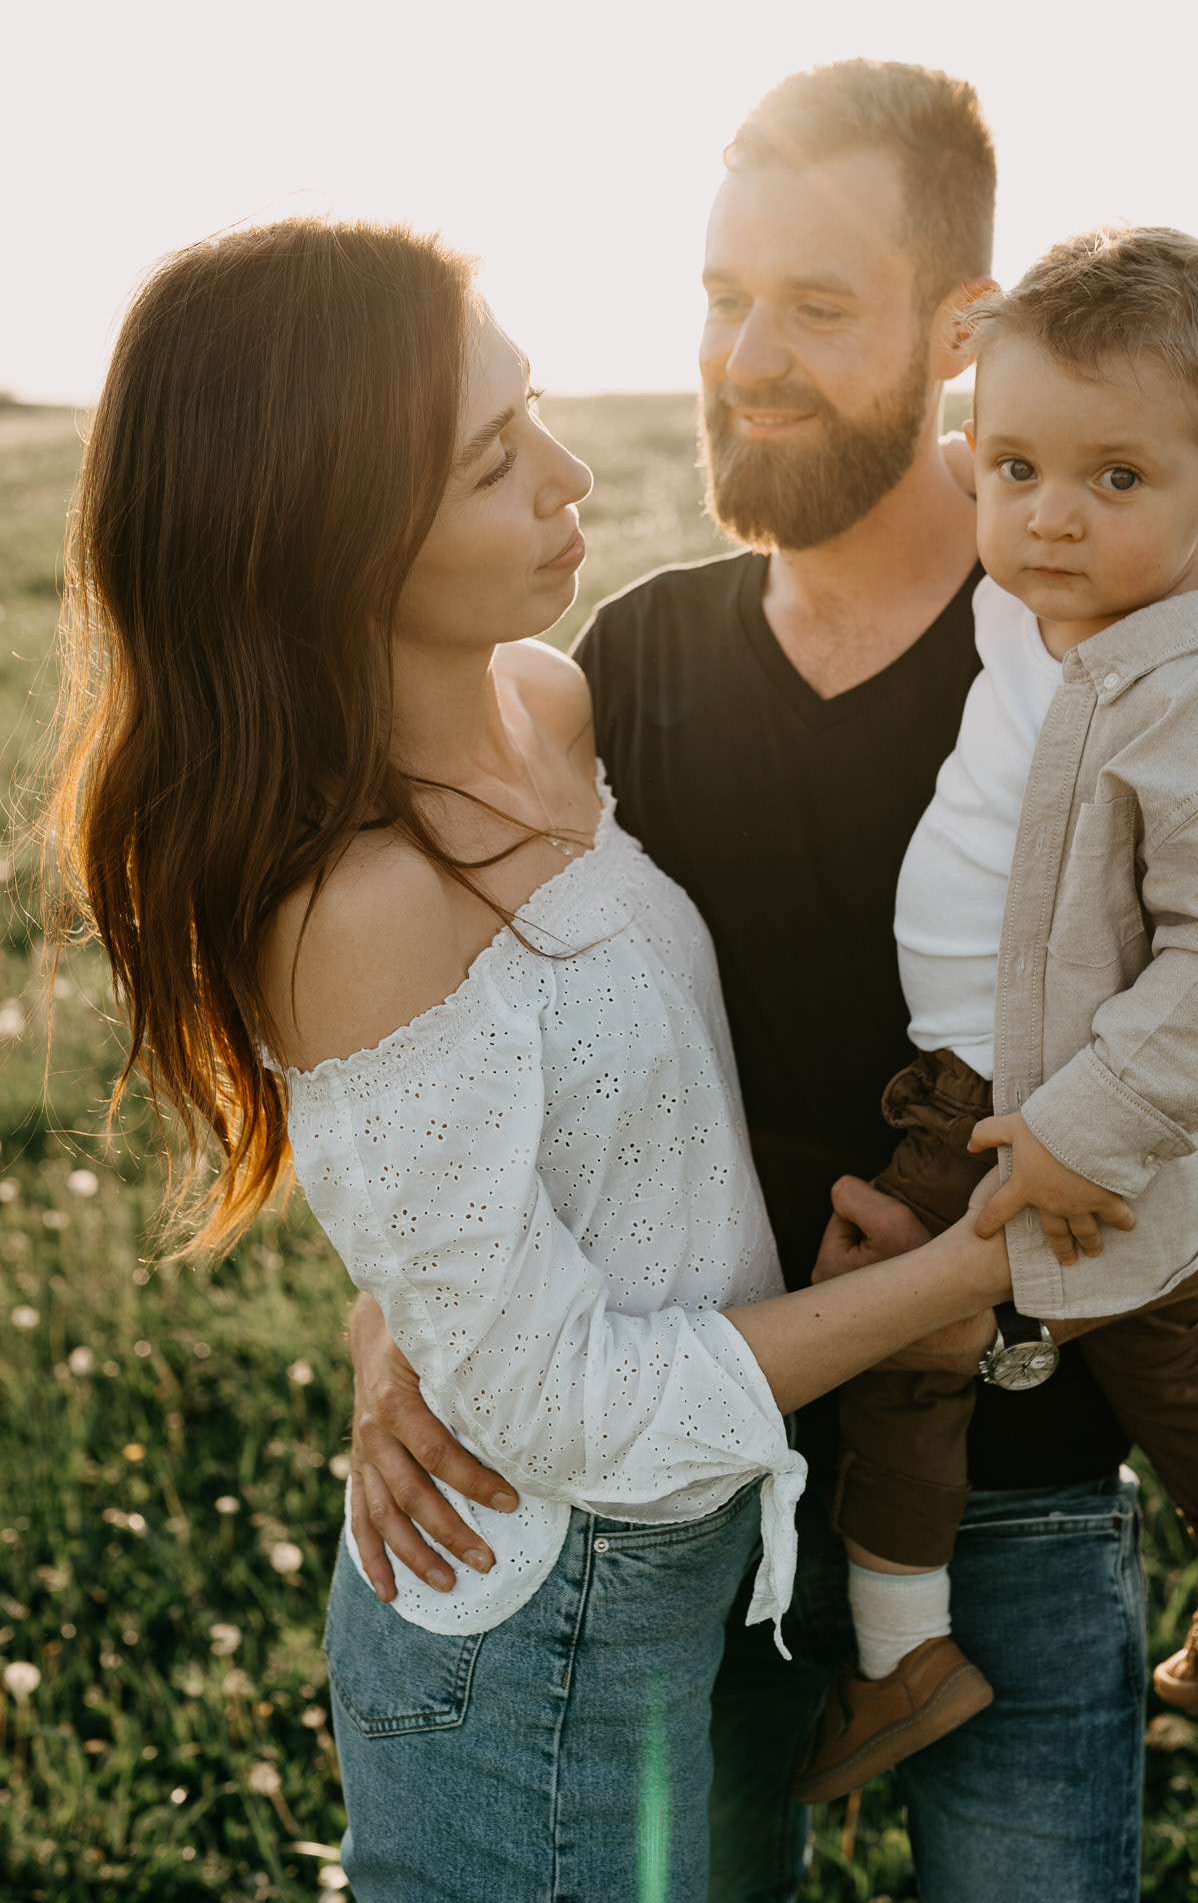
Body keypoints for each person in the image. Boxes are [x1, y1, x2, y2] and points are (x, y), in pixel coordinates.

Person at [344, 62, 1198, 1903]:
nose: (746, 358)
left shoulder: (1102, 659)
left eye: (816, 306)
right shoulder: (630, 656)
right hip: (695, 1518)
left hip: (1025, 1491)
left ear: (959, 335)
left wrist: (1010, 1278)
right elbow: (452, 1038)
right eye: (721, 296)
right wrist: (390, 1326)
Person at [45, 216, 1023, 1903]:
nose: (570, 477)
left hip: (708, 1566)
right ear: (323, 541)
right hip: (538, 1647)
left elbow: (540, 1170)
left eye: (537, 411)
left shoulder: (545, 708)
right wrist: (964, 1276)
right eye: (494, 462)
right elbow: (557, 1407)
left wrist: (406, 1322)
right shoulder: (359, 903)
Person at [795, 225, 1198, 1804]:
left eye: (1117, 477)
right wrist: (962, 370)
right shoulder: (1041, 598)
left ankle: (900, 1657)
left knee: (907, 1335)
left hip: (1023, 1089)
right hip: (1007, 1063)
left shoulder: (1187, 693)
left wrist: (1075, 1132)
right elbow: (965, 456)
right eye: (1017, 469)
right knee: (1151, 1332)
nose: (1050, 514)